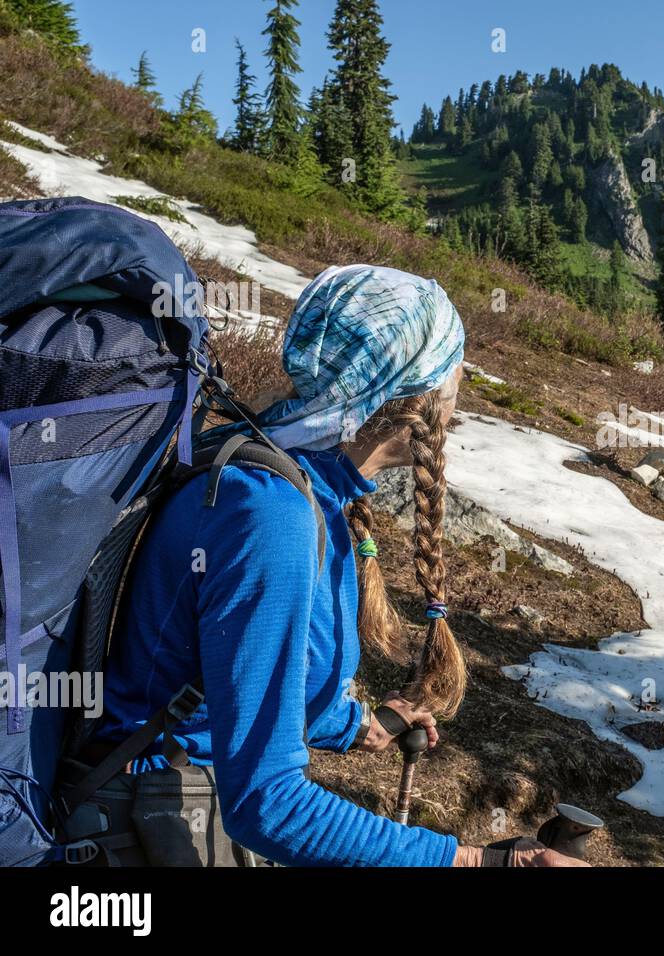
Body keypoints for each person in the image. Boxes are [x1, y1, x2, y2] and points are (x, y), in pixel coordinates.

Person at [82, 264, 580, 867]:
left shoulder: (291, 481)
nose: (459, 394)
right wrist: (485, 862)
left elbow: (236, 674)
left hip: (177, 804)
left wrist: (357, 724)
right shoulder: (271, 517)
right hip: (152, 823)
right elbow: (268, 804)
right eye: (455, 371)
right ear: (414, 397)